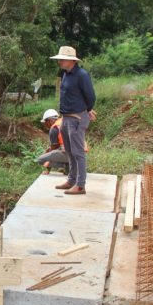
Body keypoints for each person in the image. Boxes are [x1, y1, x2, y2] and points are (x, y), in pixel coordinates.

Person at [50, 46, 96, 195]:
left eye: (62, 59)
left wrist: (86, 110)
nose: (60, 62)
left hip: (76, 118)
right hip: (66, 118)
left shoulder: (82, 75)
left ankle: (80, 185)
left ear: (71, 61)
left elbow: (90, 96)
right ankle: (71, 180)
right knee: (69, 150)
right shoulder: (65, 75)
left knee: (78, 152)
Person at [36, 109, 69, 175]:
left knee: (40, 159)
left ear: (49, 120)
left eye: (45, 122)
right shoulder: (66, 121)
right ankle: (69, 168)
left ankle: (65, 166)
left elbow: (53, 151)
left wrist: (48, 170)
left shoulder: (54, 128)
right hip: (81, 154)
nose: (45, 125)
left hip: (69, 154)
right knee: (62, 151)